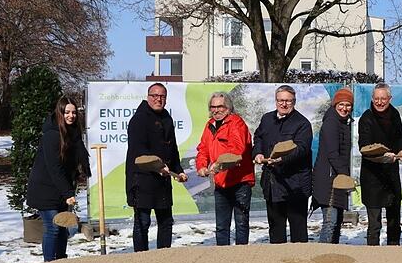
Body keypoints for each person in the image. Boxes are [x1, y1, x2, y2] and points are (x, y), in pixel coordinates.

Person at [125, 83, 188, 252]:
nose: (158, 99)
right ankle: (140, 258)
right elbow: (139, 151)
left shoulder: (167, 118)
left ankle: (164, 256)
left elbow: (172, 149)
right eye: (155, 95)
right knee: (142, 222)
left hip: (163, 180)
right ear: (148, 96)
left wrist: (178, 169)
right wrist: (157, 166)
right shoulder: (138, 119)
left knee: (166, 221)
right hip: (142, 178)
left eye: (162, 96)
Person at [27, 96, 91, 262]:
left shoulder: (73, 133)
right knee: (53, 228)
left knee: (62, 227)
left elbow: (72, 162)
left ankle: (62, 262)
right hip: (44, 188)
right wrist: (68, 192)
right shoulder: (52, 135)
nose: (71, 116)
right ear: (60, 113)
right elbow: (54, 168)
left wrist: (79, 173)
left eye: (74, 112)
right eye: (67, 112)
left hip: (61, 188)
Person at [253, 85, 313, 243]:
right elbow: (258, 137)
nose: (284, 104)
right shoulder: (266, 119)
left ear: (294, 101)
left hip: (295, 185)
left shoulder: (302, 123)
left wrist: (281, 160)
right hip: (273, 184)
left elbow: (302, 149)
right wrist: (258, 153)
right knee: (276, 229)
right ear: (276, 101)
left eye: (288, 101)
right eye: (280, 100)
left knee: (298, 231)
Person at [195, 91, 255, 246]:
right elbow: (203, 149)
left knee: (241, 223)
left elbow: (237, 149)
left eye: (220, 106)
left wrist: (218, 164)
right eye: (213, 107)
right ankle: (222, 258)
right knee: (221, 225)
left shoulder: (237, 123)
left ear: (228, 108)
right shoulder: (209, 126)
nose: (216, 110)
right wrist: (201, 165)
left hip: (240, 181)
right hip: (221, 182)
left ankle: (241, 258)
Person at [358, 83, 402, 246]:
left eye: (383, 99)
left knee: (394, 221)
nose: (380, 102)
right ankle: (373, 256)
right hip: (372, 175)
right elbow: (364, 147)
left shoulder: (395, 115)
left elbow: (400, 137)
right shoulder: (366, 118)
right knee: (374, 224)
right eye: (376, 99)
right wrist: (383, 155)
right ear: (372, 99)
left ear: (390, 99)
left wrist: (401, 151)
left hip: (391, 175)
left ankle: (394, 254)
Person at [312, 87, 354, 244]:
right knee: (330, 223)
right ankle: (323, 259)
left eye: (348, 105)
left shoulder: (343, 122)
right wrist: (346, 176)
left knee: (336, 224)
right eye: (341, 104)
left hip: (337, 179)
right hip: (328, 180)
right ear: (335, 104)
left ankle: (333, 257)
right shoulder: (331, 122)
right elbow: (333, 154)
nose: (344, 108)